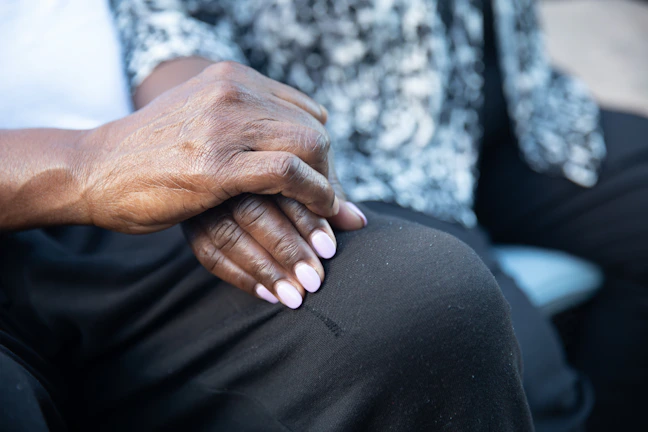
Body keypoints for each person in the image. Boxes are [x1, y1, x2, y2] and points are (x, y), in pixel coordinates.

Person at [112, 0, 648, 431]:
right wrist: (219, 141)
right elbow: (163, 23)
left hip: (508, 104)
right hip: (335, 151)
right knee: (513, 370)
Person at [0, 0, 533, 431]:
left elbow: (160, 21)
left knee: (425, 300)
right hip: (56, 187)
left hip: (140, 202)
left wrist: (206, 136)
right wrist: (87, 164)